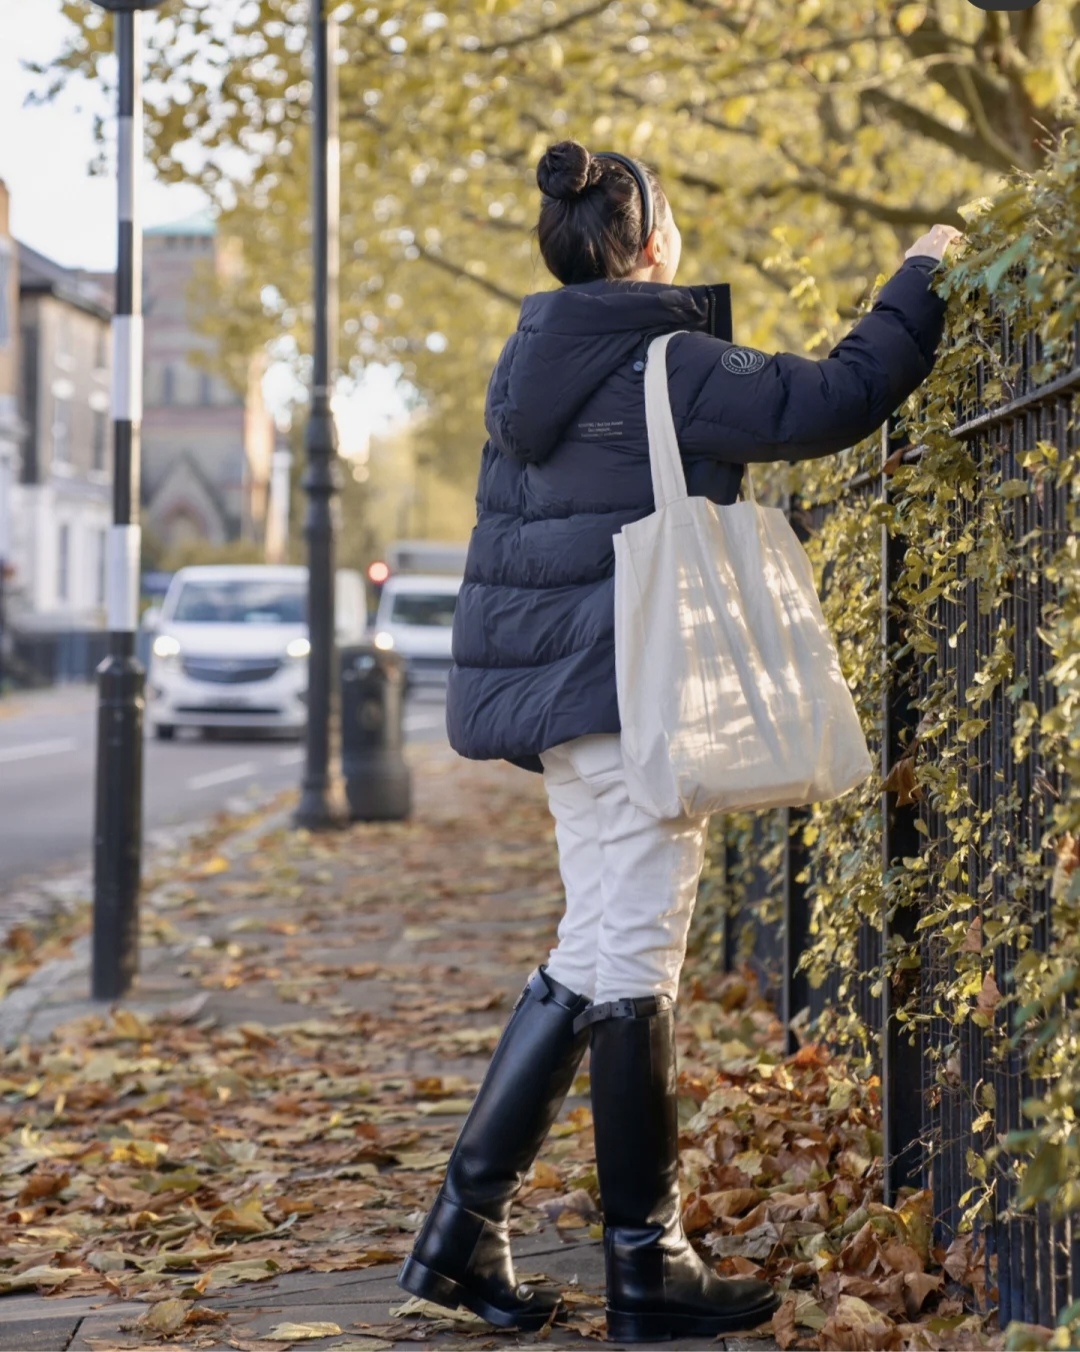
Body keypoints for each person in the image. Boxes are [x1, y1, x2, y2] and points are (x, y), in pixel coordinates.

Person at [397, 139, 959, 1343]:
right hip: (633, 693)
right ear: (651, 244)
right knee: (633, 953)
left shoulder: (533, 361)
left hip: (564, 706)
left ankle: (464, 1229)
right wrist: (921, 274)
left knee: (597, 940)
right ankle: (645, 1263)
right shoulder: (670, 359)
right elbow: (832, 400)